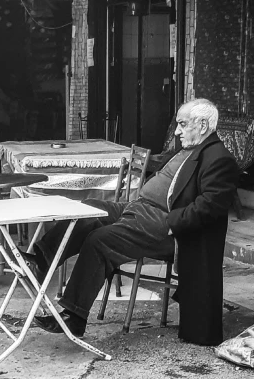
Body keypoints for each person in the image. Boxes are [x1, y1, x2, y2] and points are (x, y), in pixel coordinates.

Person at [27, 98, 239, 346]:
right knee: (87, 210)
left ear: (202, 125)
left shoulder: (219, 158)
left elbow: (210, 207)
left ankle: (73, 315)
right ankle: (40, 260)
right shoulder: (192, 148)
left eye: (182, 124)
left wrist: (171, 222)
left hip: (163, 225)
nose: (177, 131)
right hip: (137, 208)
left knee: (100, 240)